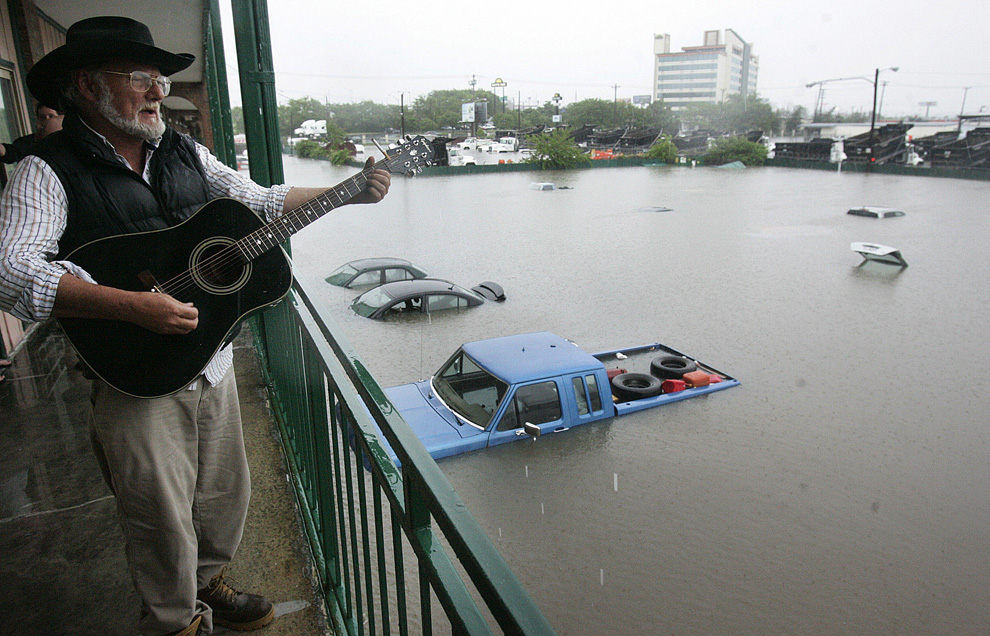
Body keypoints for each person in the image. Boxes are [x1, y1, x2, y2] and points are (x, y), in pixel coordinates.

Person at [0, 16, 390, 636]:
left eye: (159, 78)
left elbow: (256, 201)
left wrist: (344, 192)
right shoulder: (43, 169)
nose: (158, 91)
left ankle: (210, 582)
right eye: (140, 78)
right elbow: (12, 274)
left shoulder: (182, 150)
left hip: (212, 358)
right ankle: (174, 621)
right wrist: (130, 306)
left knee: (222, 494)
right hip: (135, 375)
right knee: (158, 514)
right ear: (87, 86)